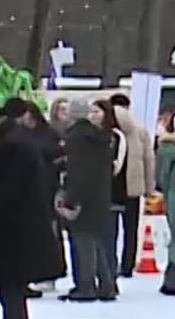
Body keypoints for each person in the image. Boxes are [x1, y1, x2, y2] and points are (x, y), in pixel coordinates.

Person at [0, 99, 58, 319]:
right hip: (21, 227)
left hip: (17, 229)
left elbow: (7, 192)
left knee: (11, 291)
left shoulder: (9, 146)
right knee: (11, 291)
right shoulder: (15, 140)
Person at [62, 99, 120, 301]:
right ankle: (106, 285)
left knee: (83, 240)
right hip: (100, 193)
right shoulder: (100, 137)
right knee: (95, 241)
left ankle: (86, 286)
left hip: (83, 195)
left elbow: (78, 171)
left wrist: (71, 198)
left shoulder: (77, 138)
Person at [110, 93, 153, 276]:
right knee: (131, 229)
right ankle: (127, 264)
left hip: (110, 185)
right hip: (133, 186)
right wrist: (149, 186)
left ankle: (109, 264)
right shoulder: (140, 130)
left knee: (109, 230)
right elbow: (149, 159)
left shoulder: (106, 130)